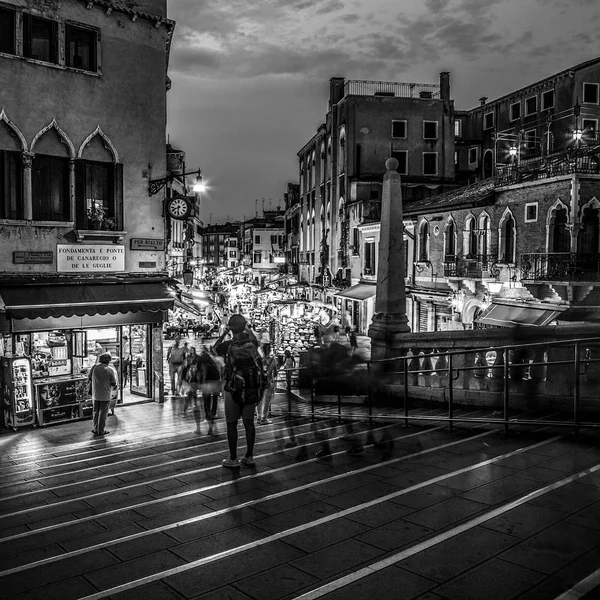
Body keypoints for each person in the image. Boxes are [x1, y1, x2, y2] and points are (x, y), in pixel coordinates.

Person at [214, 314, 261, 469]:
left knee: (231, 423)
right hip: (251, 387)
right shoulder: (252, 343)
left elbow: (214, 348)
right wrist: (249, 328)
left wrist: (223, 332)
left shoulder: (228, 345)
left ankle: (233, 458)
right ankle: (249, 456)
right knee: (249, 423)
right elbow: (257, 342)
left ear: (231, 328)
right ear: (244, 326)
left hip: (232, 387)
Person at [89, 352, 118, 436]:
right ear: (108, 361)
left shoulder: (94, 368)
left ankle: (95, 428)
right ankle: (100, 430)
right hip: (105, 395)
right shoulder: (109, 370)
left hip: (95, 394)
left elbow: (89, 378)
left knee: (95, 412)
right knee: (103, 413)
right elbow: (113, 383)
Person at [198, 347, 222, 433]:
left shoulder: (204, 365)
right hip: (215, 384)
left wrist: (201, 384)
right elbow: (218, 375)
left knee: (206, 403)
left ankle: (209, 419)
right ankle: (213, 414)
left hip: (207, 384)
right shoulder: (213, 365)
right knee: (214, 400)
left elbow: (203, 375)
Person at [257, 343, 278, 425]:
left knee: (259, 400)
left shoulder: (259, 360)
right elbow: (275, 373)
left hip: (259, 382)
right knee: (266, 401)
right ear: (270, 350)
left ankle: (258, 417)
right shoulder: (273, 360)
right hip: (269, 382)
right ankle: (264, 418)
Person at [180, 347, 200, 418]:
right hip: (188, 381)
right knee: (188, 396)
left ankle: (190, 408)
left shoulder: (195, 360)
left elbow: (183, 372)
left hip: (191, 381)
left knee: (191, 395)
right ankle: (187, 410)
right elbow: (183, 372)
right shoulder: (187, 362)